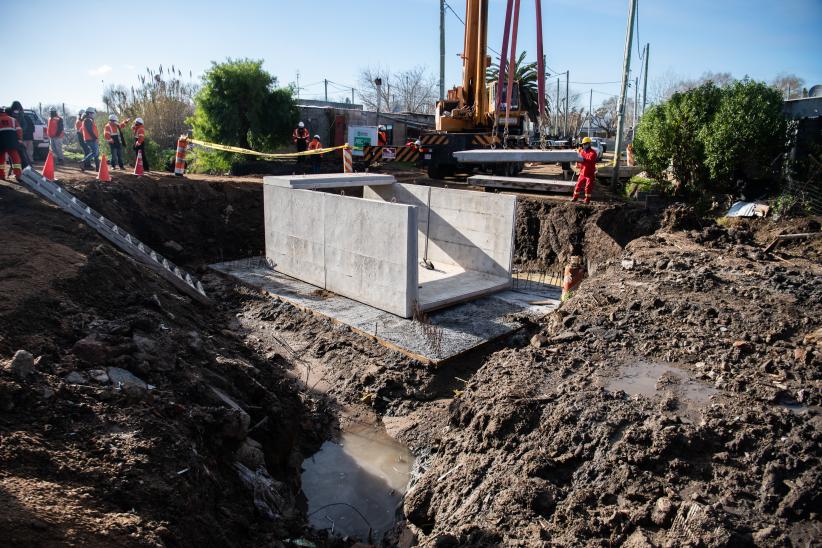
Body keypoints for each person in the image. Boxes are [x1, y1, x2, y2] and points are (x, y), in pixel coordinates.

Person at [571, 136, 599, 204]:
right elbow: (579, 159)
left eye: (585, 144)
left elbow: (590, 160)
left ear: (589, 144)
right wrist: (577, 161)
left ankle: (587, 200)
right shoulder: (582, 152)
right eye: (583, 144)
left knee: (588, 187)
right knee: (578, 186)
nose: (584, 145)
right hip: (582, 173)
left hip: (590, 174)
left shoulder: (593, 153)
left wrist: (582, 159)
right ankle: (575, 197)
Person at [0, 107, 23, 180]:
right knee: (16, 159)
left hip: (1, 142)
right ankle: (18, 175)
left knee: (0, 160)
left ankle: (1, 176)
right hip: (12, 142)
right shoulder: (13, 119)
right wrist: (20, 139)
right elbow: (19, 130)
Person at [9, 101, 32, 169]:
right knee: (22, 153)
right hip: (19, 137)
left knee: (13, 154)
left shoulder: (9, 114)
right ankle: (26, 167)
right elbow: (24, 126)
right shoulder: (22, 115)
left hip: (11, 137)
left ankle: (18, 168)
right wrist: (21, 134)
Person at [81, 107, 100, 172]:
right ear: (89, 113)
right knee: (95, 153)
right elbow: (90, 130)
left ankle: (98, 168)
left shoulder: (88, 120)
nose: (93, 114)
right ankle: (83, 161)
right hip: (91, 139)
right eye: (92, 113)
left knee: (96, 154)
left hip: (91, 139)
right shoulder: (87, 120)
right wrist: (95, 138)